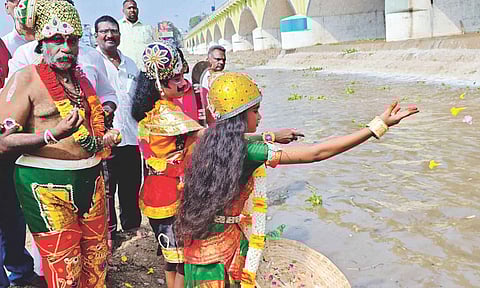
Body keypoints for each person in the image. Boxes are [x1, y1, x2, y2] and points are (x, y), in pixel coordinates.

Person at [176, 72, 419, 287]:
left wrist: (272, 136)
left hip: (200, 243)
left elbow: (248, 139)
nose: (259, 117)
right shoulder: (247, 151)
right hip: (223, 254)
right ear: (240, 116)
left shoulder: (208, 141)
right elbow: (317, 153)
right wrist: (376, 126)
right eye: (255, 110)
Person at [0, 1, 121, 287]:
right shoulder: (25, 77)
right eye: (57, 39)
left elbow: (100, 112)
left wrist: (104, 133)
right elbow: (3, 141)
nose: (66, 47)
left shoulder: (81, 80)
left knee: (96, 262)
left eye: (72, 40)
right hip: (47, 187)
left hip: (91, 180)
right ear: (42, 43)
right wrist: (51, 134)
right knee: (64, 270)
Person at [131, 41, 203, 288]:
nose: (183, 82)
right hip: (172, 192)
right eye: (177, 78)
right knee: (180, 258)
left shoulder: (152, 113)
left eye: (183, 75)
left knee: (171, 257)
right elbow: (207, 137)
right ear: (161, 86)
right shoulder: (168, 116)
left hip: (156, 190)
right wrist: (267, 138)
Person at [94, 15, 142, 242]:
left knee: (131, 185)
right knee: (107, 190)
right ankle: (111, 233)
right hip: (105, 139)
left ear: (120, 35)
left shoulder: (131, 63)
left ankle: (132, 228)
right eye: (104, 31)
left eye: (113, 31)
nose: (109, 35)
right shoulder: (91, 62)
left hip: (132, 136)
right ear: (96, 36)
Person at [118, 0, 154, 69]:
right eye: (129, 8)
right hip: (125, 70)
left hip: (145, 70)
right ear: (123, 10)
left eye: (134, 8)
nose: (132, 10)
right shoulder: (117, 27)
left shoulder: (147, 27)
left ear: (138, 10)